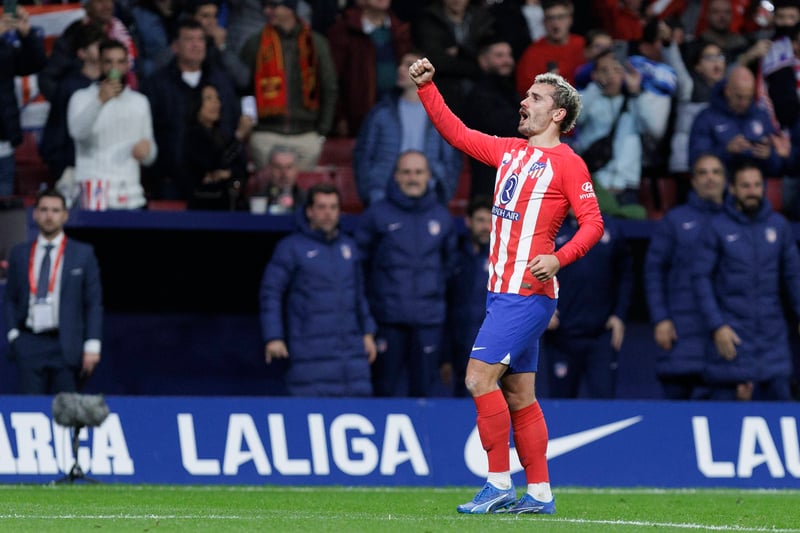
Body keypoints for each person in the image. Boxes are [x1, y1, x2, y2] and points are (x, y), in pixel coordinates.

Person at [409, 57, 603, 513]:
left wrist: (558, 257)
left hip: (527, 294)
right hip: (503, 293)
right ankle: (539, 493)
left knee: (478, 378)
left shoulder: (569, 164)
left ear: (557, 113)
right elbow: (458, 134)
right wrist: (427, 88)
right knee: (518, 394)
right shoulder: (509, 152)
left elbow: (593, 223)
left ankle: (497, 484)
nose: (524, 101)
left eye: (535, 97)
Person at [692, 162, 800, 401]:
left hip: (773, 340)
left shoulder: (778, 226)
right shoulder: (717, 227)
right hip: (732, 337)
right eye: (745, 186)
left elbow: (794, 275)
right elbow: (700, 278)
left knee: (781, 408)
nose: (752, 191)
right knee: (725, 417)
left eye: (757, 185)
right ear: (732, 189)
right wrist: (717, 325)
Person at [355, 150, 457, 398]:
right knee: (384, 392)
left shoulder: (442, 218)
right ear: (396, 176)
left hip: (428, 323)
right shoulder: (376, 215)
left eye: (419, 172)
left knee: (424, 395)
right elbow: (359, 270)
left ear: (429, 176)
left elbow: (450, 271)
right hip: (387, 322)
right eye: (407, 172)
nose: (413, 178)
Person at [260, 182, 377, 396]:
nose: (328, 213)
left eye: (333, 207)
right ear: (309, 211)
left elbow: (358, 293)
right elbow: (271, 293)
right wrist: (274, 337)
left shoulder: (348, 247)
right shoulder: (291, 248)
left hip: (351, 355)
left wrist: (368, 333)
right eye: (321, 207)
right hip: (309, 353)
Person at [2, 189, 103, 394]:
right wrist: (14, 335)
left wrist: (92, 345)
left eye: (55, 210)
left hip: (66, 343)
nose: (49, 216)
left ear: (65, 215)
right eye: (44, 210)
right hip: (29, 342)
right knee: (31, 408)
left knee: (66, 408)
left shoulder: (82, 253)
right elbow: (10, 298)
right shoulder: (20, 253)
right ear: (35, 214)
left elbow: (93, 303)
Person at [644, 153, 726, 400]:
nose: (710, 178)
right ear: (693, 180)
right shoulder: (675, 221)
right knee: (676, 410)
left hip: (725, 333)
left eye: (716, 172)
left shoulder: (736, 221)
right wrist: (661, 318)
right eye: (703, 172)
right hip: (681, 331)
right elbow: (654, 271)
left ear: (725, 179)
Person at [142, 19, 240, 201]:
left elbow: (229, 127)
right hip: (170, 181)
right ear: (175, 46)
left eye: (200, 39)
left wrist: (225, 168)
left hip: (215, 183)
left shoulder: (221, 82)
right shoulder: (157, 85)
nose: (196, 45)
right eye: (189, 39)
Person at [541, 212, 632, 399]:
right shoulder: (548, 228)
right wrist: (542, 306)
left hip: (601, 335)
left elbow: (625, 275)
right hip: (560, 337)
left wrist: (619, 315)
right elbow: (529, 271)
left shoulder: (611, 228)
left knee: (604, 404)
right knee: (560, 405)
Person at [239, 0, 338, 171]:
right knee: (269, 184)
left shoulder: (316, 43)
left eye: (273, 6)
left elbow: (329, 88)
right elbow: (244, 88)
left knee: (301, 186)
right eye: (265, 7)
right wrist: (251, 125)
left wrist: (322, 131)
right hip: (266, 133)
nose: (267, 11)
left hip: (306, 134)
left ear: (290, 9)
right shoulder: (255, 43)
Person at [353, 51, 462, 207]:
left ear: (427, 71)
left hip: (430, 194)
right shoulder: (381, 112)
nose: (401, 69)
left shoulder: (441, 114)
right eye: (401, 64)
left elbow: (451, 159)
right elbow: (363, 154)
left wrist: (444, 191)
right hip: (383, 193)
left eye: (409, 65)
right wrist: (369, 191)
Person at [68, 39, 157, 210]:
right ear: (100, 64)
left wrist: (147, 151)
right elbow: (78, 133)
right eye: (109, 62)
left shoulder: (140, 102)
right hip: (94, 195)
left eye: (120, 62)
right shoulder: (81, 98)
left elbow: (150, 154)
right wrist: (99, 101)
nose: (114, 68)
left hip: (131, 195)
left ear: (127, 65)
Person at [325, 0, 412, 137]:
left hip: (397, 111)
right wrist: (339, 117)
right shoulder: (343, 30)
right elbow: (332, 79)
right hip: (358, 116)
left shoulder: (400, 30)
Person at [688, 65, 789, 178]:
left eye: (748, 97)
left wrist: (769, 155)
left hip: (755, 186)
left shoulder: (761, 116)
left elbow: (777, 168)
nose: (744, 103)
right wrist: (726, 151)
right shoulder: (706, 118)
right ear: (727, 91)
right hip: (722, 186)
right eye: (739, 97)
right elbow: (696, 162)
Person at [40, 23, 105, 187]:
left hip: (106, 170)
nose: (102, 48)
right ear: (82, 53)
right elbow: (56, 131)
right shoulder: (68, 87)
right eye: (96, 44)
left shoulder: (111, 85)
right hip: (74, 170)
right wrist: (62, 169)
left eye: (104, 43)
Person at [441, 195, 493, 398]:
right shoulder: (454, 258)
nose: (486, 227)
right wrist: (445, 356)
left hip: (493, 349)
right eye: (480, 220)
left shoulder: (504, 260)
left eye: (490, 221)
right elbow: (445, 306)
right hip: (459, 348)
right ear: (468, 221)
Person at [39, 0, 138, 101]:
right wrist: (67, 103)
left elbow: (139, 70)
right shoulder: (73, 36)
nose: (107, 5)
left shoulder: (125, 31)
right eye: (99, 1)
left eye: (110, 0)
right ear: (86, 7)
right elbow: (47, 79)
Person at [461, 36, 522, 199]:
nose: (507, 60)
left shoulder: (511, 92)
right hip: (488, 179)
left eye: (509, 55)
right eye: (499, 55)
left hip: (513, 174)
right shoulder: (478, 96)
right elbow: (506, 129)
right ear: (483, 61)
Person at [411, 0, 495, 117]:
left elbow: (490, 56)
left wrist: (460, 51)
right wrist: (474, 65)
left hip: (482, 92)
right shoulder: (429, 20)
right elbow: (437, 61)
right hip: (444, 92)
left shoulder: (482, 17)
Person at [0, 7, 46, 196]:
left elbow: (35, 63)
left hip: (3, 146)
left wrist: (27, 35)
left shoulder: (3, 47)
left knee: (4, 208)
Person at [184, 85, 252, 210]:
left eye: (218, 99)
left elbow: (241, 168)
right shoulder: (191, 135)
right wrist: (239, 136)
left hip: (227, 201)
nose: (215, 103)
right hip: (202, 204)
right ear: (197, 103)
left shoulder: (223, 134)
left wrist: (228, 173)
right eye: (209, 98)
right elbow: (212, 163)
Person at [515, 0, 585, 94]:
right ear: (544, 22)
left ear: (570, 19)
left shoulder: (583, 45)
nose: (555, 23)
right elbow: (528, 92)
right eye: (550, 18)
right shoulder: (532, 54)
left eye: (561, 17)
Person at [246, 145, 306, 214]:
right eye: (278, 167)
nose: (284, 173)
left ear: (296, 170)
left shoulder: (307, 201)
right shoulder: (255, 201)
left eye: (289, 167)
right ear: (269, 169)